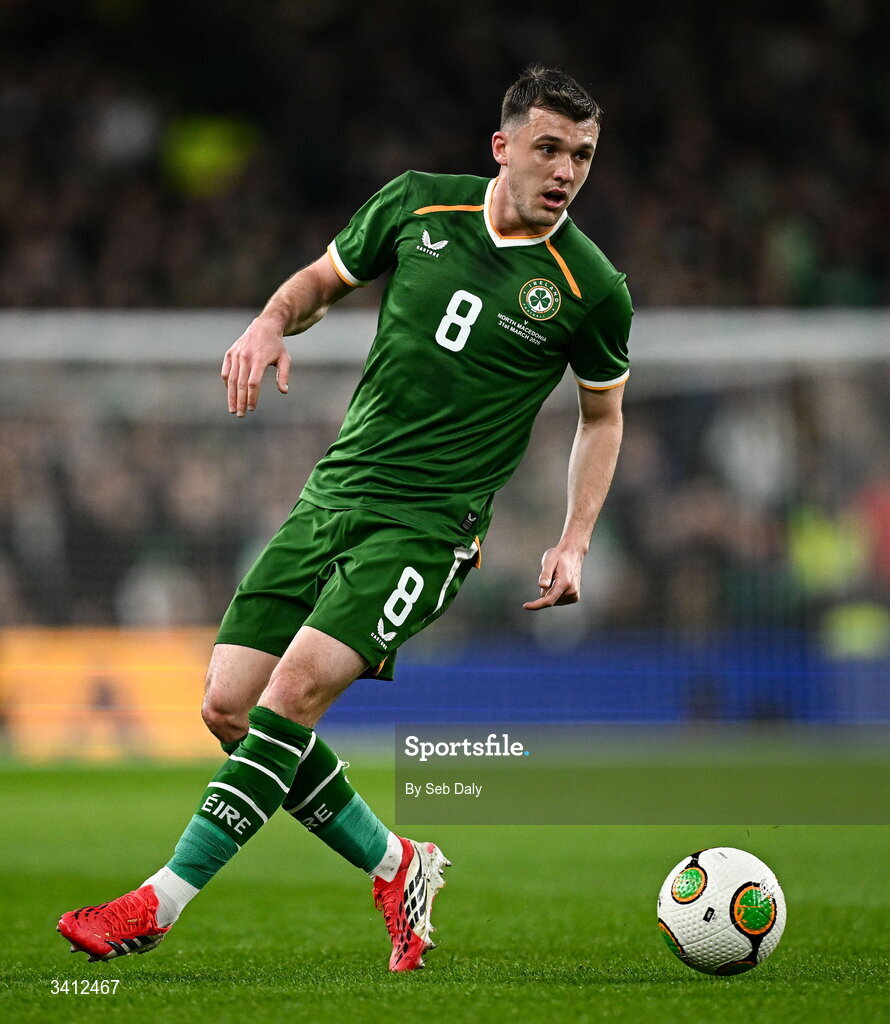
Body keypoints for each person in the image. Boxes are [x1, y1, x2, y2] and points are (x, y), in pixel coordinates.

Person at [57, 65, 631, 972]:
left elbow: (603, 417)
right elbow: (320, 281)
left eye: (584, 156)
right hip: (336, 491)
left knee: (292, 696)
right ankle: (399, 862)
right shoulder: (416, 207)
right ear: (503, 147)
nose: (566, 171)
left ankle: (156, 904)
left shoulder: (591, 287)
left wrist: (574, 537)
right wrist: (267, 323)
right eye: (549, 148)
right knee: (229, 706)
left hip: (431, 526)